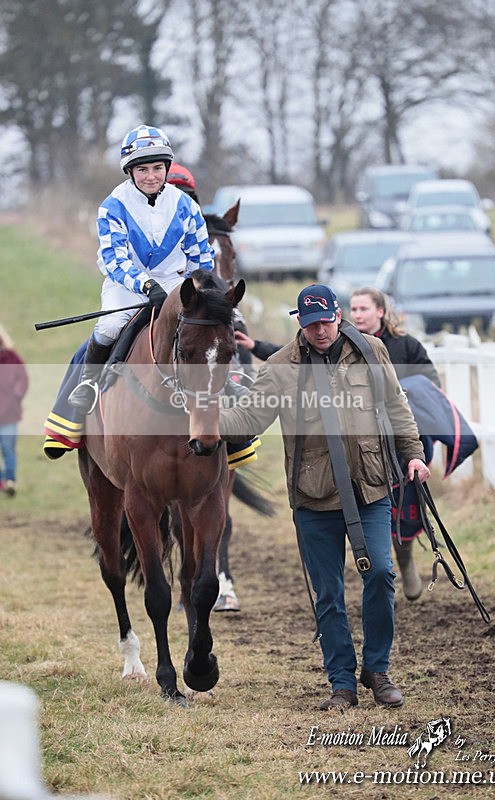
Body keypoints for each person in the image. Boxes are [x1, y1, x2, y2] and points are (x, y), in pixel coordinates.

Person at [219, 285, 429, 711]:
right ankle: (342, 683)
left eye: (326, 321)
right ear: (300, 322)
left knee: (381, 574)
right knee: (328, 594)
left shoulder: (370, 350)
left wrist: (414, 455)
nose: (320, 330)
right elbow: (252, 418)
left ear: (338, 315)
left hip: (370, 486)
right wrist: (208, 420)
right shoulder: (280, 367)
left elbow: (395, 405)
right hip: (314, 499)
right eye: (311, 323)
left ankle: (378, 669)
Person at [68, 125, 215, 414]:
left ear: (167, 168)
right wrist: (147, 286)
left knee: (215, 322)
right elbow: (114, 260)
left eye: (158, 168)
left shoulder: (186, 205)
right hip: (126, 285)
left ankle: (227, 379)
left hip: (177, 284)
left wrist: (196, 289)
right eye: (143, 169)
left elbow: (201, 257)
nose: (151, 176)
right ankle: (89, 381)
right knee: (110, 325)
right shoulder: (112, 206)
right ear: (130, 172)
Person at [349, 287, 440, 601]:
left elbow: (431, 383)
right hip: (363, 444)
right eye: (353, 309)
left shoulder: (406, 346)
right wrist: (257, 346)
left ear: (380, 312)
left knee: (404, 507)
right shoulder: (343, 345)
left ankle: (406, 563)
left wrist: (399, 394)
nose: (357, 314)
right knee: (370, 508)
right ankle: (381, 570)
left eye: (363, 308)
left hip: (401, 442)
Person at [0, 325, 29, 497]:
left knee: (8, 448)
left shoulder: (12, 358)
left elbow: (23, 379)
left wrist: (15, 396)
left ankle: (10, 481)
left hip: (9, 415)